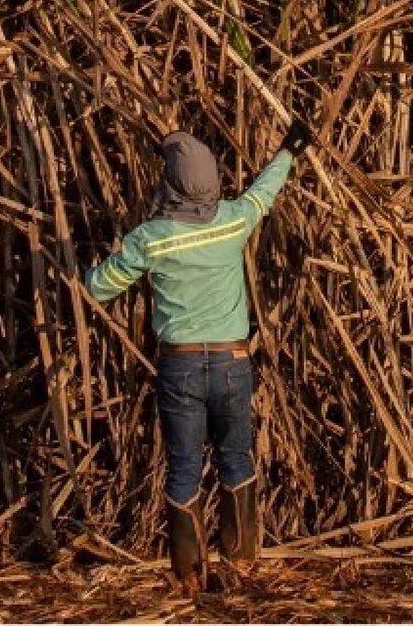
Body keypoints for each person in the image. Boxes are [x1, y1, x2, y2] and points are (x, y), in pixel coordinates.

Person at [84, 118, 309, 595]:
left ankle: (188, 576)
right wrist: (289, 150)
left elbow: (99, 289)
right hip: (233, 363)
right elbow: (263, 191)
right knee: (236, 459)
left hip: (180, 365)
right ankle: (243, 563)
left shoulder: (151, 238)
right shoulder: (233, 220)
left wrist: (86, 269)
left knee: (184, 467)